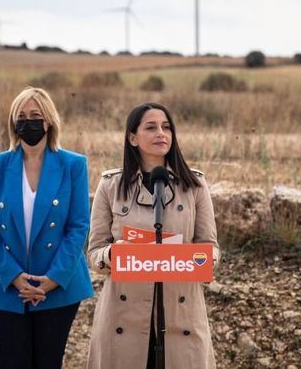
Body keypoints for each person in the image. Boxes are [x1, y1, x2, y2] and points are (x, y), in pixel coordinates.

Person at [86, 102, 220, 369]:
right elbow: (95, 253)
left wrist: (203, 259)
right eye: (151, 127)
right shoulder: (110, 185)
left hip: (180, 312)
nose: (161, 133)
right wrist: (113, 254)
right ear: (132, 137)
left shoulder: (194, 185)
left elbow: (210, 246)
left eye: (166, 127)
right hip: (124, 315)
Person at [0, 86, 94, 369]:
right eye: (21, 117)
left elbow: (79, 226)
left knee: (48, 362)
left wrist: (52, 278)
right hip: (7, 285)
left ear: (49, 121)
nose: (28, 123)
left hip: (59, 285)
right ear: (13, 123)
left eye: (35, 116)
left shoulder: (73, 165)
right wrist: (14, 275)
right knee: (12, 362)